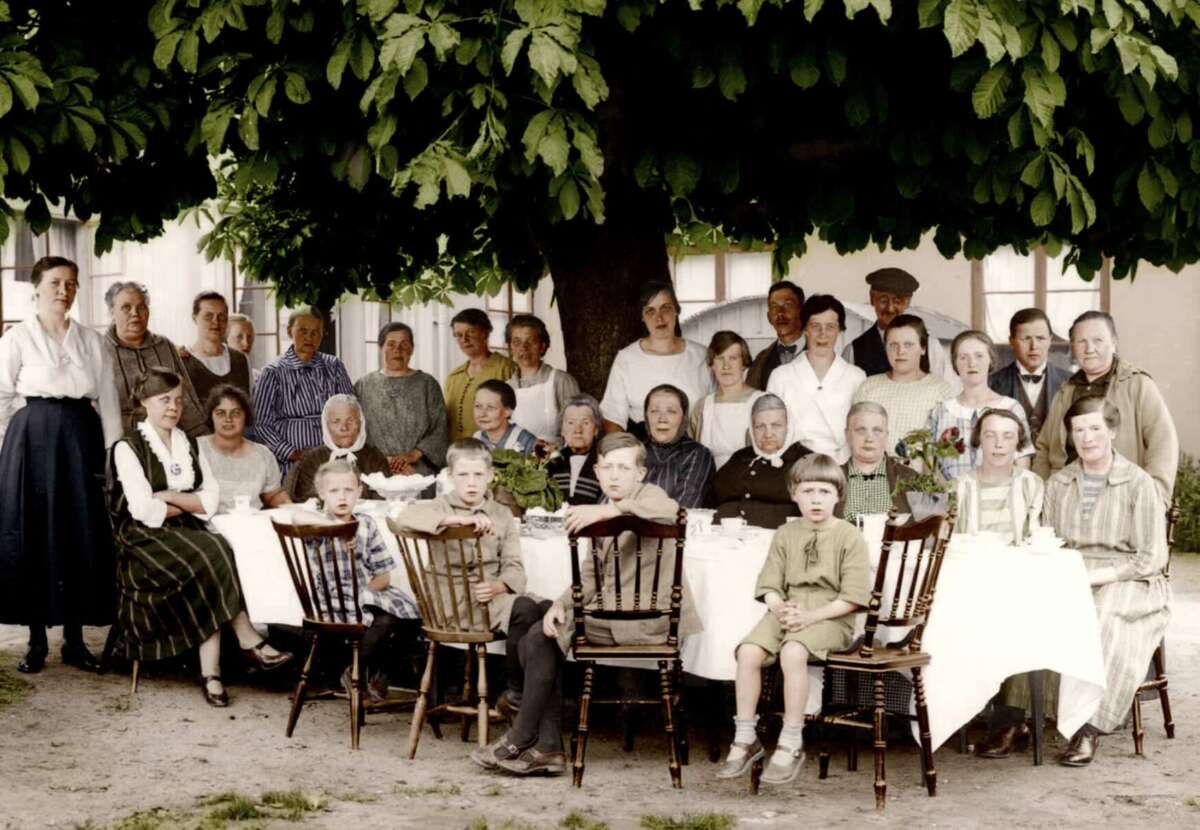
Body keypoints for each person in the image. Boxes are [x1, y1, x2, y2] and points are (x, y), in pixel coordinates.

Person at [473, 432, 700, 776]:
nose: (614, 476)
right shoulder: (603, 509)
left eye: (624, 468)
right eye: (607, 468)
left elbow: (670, 510)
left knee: (539, 638)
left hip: (649, 620)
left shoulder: (649, 497)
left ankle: (526, 737)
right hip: (611, 615)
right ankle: (545, 746)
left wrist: (608, 510)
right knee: (540, 623)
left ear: (640, 473)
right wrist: (562, 605)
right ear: (596, 471)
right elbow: (590, 576)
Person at [108, 367, 293, 707]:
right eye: (164, 400)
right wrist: (182, 502)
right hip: (143, 539)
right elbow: (144, 512)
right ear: (145, 402)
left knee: (219, 549)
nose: (173, 408)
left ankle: (213, 674)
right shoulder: (127, 447)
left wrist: (167, 496)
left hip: (184, 531)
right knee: (212, 553)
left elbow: (209, 502)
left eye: (178, 400)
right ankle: (245, 643)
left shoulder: (186, 443)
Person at [717, 454, 870, 785]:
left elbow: (853, 597)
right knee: (747, 653)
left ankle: (791, 740)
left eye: (825, 492)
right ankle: (745, 736)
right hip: (787, 610)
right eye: (808, 491)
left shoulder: (849, 536)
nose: (816, 499)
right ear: (794, 494)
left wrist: (812, 615)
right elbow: (770, 583)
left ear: (838, 495)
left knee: (792, 652)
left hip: (830, 615)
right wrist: (777, 606)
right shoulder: (786, 534)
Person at [0, 256, 122, 674]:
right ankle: (35, 643)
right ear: (36, 288)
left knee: (78, 532)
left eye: (71, 284)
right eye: (55, 283)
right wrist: (6, 450)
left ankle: (74, 640)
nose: (63, 291)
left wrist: (113, 450)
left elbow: (107, 399)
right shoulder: (16, 338)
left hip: (79, 438)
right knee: (33, 532)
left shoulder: (91, 340)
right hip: (31, 441)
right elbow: (0, 396)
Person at [1043, 397, 1170, 767]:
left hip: (1131, 578)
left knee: (1101, 617)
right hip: (1071, 573)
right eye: (1078, 429)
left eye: (1095, 428)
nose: (1087, 437)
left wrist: (1101, 576)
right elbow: (1048, 541)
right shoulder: (1059, 482)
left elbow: (1151, 557)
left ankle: (1089, 726)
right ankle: (1021, 717)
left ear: (1112, 431)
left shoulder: (1138, 483)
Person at [956, 408, 1048, 760]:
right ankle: (965, 710)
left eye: (1008, 436)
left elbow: (1040, 539)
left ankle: (1008, 721)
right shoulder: (961, 486)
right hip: (970, 582)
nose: (998, 444)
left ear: (1018, 442)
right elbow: (952, 542)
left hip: (1017, 581)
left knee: (1020, 622)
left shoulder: (1031, 485)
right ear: (979, 440)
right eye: (991, 435)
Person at [1034, 311, 1178, 505]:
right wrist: (1041, 496)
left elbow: (1163, 442)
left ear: (1114, 342)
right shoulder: (1065, 391)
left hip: (1122, 499)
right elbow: (1044, 447)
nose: (1089, 348)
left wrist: (1155, 497)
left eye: (1098, 340)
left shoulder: (1138, 385)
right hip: (1066, 499)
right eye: (1081, 342)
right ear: (1073, 348)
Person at [305, 460, 420, 701]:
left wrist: (369, 593)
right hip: (332, 599)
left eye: (348, 489)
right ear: (322, 494)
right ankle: (356, 672)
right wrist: (333, 527)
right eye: (334, 491)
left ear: (359, 491)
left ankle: (380, 674)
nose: (342, 496)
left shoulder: (366, 524)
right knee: (385, 621)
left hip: (363, 593)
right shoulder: (315, 524)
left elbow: (383, 574)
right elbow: (296, 517)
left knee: (411, 616)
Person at [392, 437, 526, 640]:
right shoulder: (441, 505)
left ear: (490, 476)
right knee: (526, 610)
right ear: (450, 476)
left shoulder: (501, 514)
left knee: (541, 609)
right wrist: (457, 520)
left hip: (488, 600)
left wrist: (499, 586)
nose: (471, 483)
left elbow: (514, 565)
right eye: (463, 475)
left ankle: (515, 672)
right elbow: (404, 518)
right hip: (450, 604)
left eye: (478, 475)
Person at [600, 281, 712, 436]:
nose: (659, 318)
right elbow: (613, 418)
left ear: (676, 311)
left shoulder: (702, 356)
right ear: (642, 316)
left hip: (695, 452)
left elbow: (717, 408)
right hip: (643, 452)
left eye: (665, 308)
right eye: (650, 311)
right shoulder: (627, 359)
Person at [253, 307, 354, 471]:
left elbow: (351, 412)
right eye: (303, 331)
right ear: (289, 331)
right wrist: (293, 453)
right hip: (290, 463)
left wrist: (339, 450)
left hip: (333, 458)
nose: (309, 337)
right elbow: (262, 426)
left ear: (322, 334)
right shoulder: (272, 372)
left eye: (316, 332)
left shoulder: (334, 366)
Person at [768, 294, 866, 463]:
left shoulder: (856, 376)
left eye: (830, 327)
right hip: (793, 465)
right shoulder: (781, 376)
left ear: (840, 329)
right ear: (805, 329)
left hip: (841, 465)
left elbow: (861, 429)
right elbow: (771, 428)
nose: (823, 334)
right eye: (815, 326)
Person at [103, 281, 207, 437]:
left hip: (169, 440)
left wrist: (203, 442)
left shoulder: (164, 346)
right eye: (126, 307)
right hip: (120, 443)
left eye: (141, 307)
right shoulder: (99, 350)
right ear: (112, 312)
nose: (135, 314)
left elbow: (186, 398)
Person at [926, 330, 1032, 482]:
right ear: (955, 363)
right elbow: (930, 467)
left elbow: (1022, 466)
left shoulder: (1011, 408)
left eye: (979, 356)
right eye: (963, 357)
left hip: (1001, 500)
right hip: (952, 501)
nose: (972, 363)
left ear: (991, 360)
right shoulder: (941, 411)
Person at [851, 315, 955, 458]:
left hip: (922, 478)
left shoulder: (941, 390)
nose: (900, 352)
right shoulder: (868, 387)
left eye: (908, 345)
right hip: (875, 476)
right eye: (893, 345)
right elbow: (856, 439)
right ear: (885, 348)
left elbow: (948, 448)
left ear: (923, 348)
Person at [354, 322, 448, 477]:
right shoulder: (364, 385)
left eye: (404, 344)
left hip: (418, 471)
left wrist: (411, 456)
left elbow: (440, 429)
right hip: (376, 470)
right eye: (391, 344)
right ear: (380, 348)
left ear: (412, 349)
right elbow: (355, 430)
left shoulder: (427, 384)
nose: (397, 350)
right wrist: (383, 461)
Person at [842, 268, 956, 388]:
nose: (890, 308)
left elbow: (942, 394)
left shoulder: (930, 347)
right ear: (871, 299)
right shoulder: (853, 351)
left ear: (907, 303)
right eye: (883, 300)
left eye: (897, 301)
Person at [712, 394, 812, 528]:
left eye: (776, 425)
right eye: (760, 426)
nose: (768, 433)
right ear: (752, 430)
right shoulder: (740, 457)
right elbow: (711, 500)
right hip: (725, 539)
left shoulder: (807, 462)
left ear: (789, 426)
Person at [197, 384, 291, 514]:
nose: (228, 419)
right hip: (206, 529)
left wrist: (293, 510)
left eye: (235, 413)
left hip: (251, 526)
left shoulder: (263, 454)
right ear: (211, 416)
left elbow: (273, 495)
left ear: (246, 416)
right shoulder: (195, 449)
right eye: (220, 413)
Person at [987, 308, 1070, 441]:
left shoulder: (1071, 382)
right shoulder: (991, 384)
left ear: (1050, 340)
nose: (1034, 346)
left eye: (1040, 338)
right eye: (1026, 339)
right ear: (1011, 341)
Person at [289, 395, 390, 501]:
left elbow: (382, 501)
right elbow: (307, 503)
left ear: (360, 422)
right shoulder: (311, 460)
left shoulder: (375, 458)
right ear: (326, 425)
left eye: (350, 420)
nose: (344, 427)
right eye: (336, 421)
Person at [689, 331, 764, 469]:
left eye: (733, 358)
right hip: (709, 482)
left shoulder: (760, 402)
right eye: (720, 358)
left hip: (747, 481)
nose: (726, 366)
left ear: (744, 363)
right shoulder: (703, 406)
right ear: (712, 364)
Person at [834, 402, 918, 524]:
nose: (869, 439)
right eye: (861, 431)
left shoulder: (911, 478)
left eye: (877, 431)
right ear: (847, 434)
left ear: (886, 435)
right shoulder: (830, 478)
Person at [505, 314, 580, 442]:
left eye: (530, 341)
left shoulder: (561, 380)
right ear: (511, 347)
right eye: (517, 342)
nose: (523, 348)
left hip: (556, 458)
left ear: (542, 346)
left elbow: (578, 428)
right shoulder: (506, 387)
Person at [444, 309, 517, 442]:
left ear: (485, 333)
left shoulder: (505, 368)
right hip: (456, 453)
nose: (464, 340)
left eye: (470, 332)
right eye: (458, 335)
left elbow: (516, 416)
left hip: (495, 453)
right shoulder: (454, 377)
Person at [641, 384, 715, 509]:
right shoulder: (634, 452)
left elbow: (683, 508)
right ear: (646, 416)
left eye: (671, 411)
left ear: (683, 418)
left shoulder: (697, 454)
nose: (662, 419)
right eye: (654, 411)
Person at [179, 291, 251, 406]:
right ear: (194, 318)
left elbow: (249, 406)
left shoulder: (241, 360)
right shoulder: (182, 360)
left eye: (221, 316)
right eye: (208, 316)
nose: (216, 322)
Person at [746, 281, 806, 390]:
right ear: (769, 317)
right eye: (774, 307)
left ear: (802, 312)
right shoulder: (760, 362)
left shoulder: (821, 354)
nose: (780, 313)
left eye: (788, 305)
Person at [546, 394, 604, 505]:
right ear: (562, 430)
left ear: (596, 429)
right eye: (571, 423)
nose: (578, 430)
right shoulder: (551, 462)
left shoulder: (606, 461)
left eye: (585, 423)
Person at [473, 379, 538, 457]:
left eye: (490, 407)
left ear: (507, 411)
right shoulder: (475, 439)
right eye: (478, 406)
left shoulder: (527, 441)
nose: (482, 414)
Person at [226, 313, 261, 389]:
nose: (246, 343)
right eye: (239, 337)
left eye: (249, 337)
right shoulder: (219, 376)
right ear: (226, 340)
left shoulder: (259, 377)